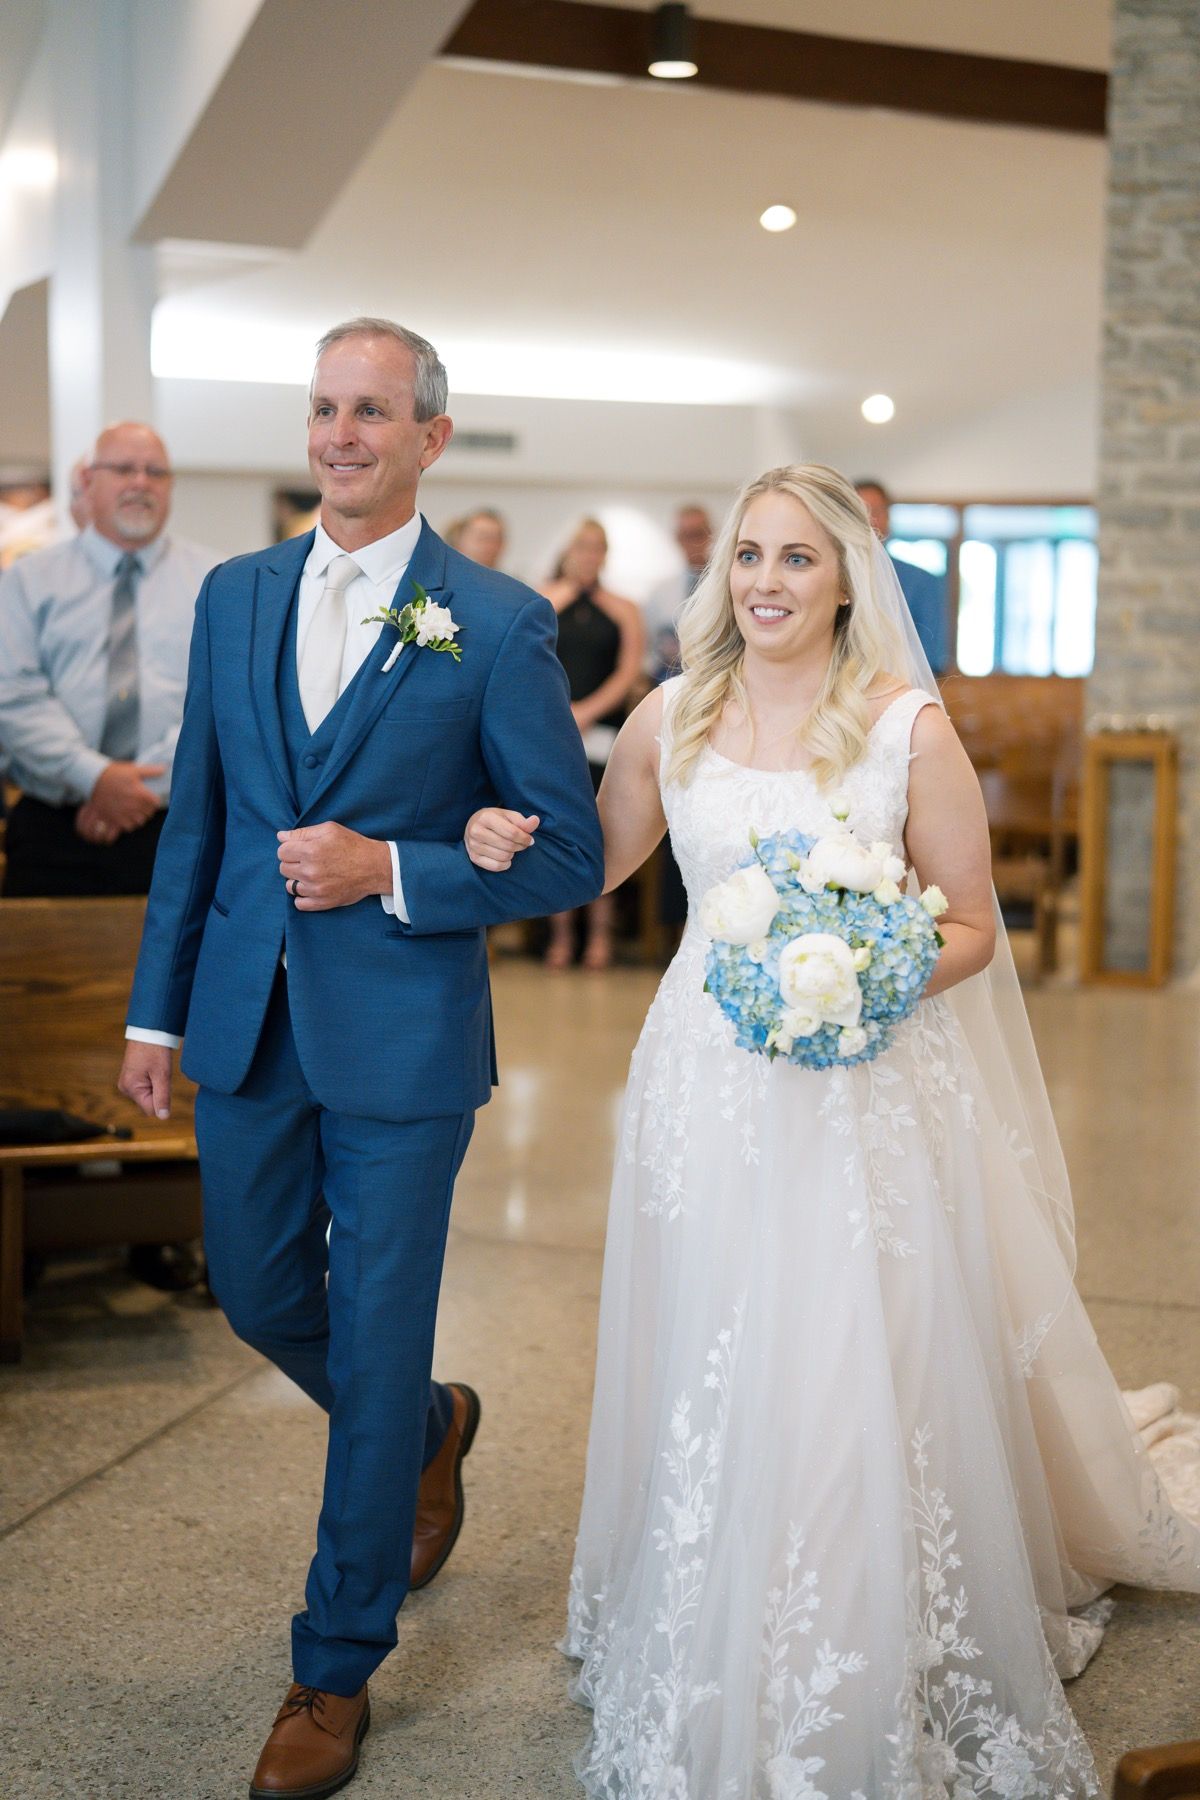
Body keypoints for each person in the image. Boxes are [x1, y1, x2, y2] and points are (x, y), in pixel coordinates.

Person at [464, 464, 1200, 1794]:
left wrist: (865, 976)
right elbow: (597, 865)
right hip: (703, 1081)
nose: (767, 582)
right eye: (749, 555)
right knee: (717, 1337)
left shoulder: (904, 727)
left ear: (848, 578)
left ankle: (853, 1618)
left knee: (850, 1342)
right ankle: (708, 1598)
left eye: (798, 558)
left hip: (863, 1081)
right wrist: (492, 836)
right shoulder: (672, 716)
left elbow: (970, 926)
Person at [117, 317, 603, 1800]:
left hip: (402, 1041)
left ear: (429, 438)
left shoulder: (493, 621)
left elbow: (567, 851)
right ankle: (431, 1429)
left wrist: (393, 865)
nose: (341, 434)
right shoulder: (238, 595)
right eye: (326, 407)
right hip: (246, 1020)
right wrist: (155, 1014)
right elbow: (201, 818)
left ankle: (333, 1668)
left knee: (377, 1335)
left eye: (373, 411)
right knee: (261, 1293)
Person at [0, 424, 215, 897]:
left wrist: (139, 791)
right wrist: (93, 777)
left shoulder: (216, 581)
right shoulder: (26, 581)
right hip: (52, 829)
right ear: (87, 481)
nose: (140, 482)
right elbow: (13, 697)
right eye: (123, 469)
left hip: (178, 826)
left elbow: (220, 702)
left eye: (155, 472)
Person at [540, 519, 643, 969]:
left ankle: (600, 936)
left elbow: (627, 670)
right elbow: (530, 658)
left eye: (597, 547)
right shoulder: (546, 599)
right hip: (554, 726)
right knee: (555, 826)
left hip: (602, 729)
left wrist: (588, 710)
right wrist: (564, 711)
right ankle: (560, 937)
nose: (589, 554)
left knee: (601, 829)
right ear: (568, 550)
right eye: (582, 546)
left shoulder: (622, 608)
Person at [856, 476, 950, 673]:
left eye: (876, 512)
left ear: (888, 517)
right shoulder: (828, 575)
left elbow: (932, 654)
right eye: (859, 512)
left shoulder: (921, 582)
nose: (869, 520)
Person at [641, 503, 713, 681]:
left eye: (698, 534)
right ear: (677, 538)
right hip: (669, 679)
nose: (693, 542)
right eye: (686, 535)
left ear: (710, 534)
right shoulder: (661, 592)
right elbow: (649, 644)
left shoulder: (729, 585)